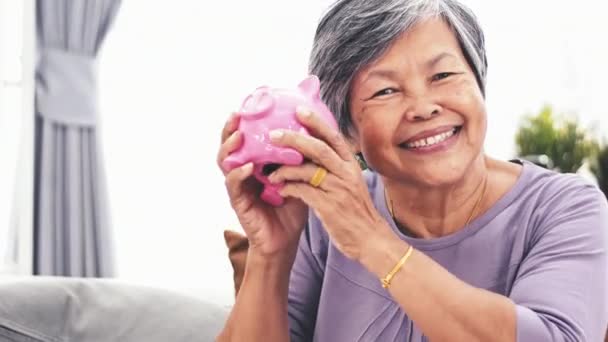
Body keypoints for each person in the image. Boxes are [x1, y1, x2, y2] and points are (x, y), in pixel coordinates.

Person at [216, 0, 608, 340]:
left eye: (443, 75)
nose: (423, 107)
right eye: (385, 90)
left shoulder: (567, 208)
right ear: (346, 130)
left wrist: (372, 241)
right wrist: (271, 254)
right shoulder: (324, 216)